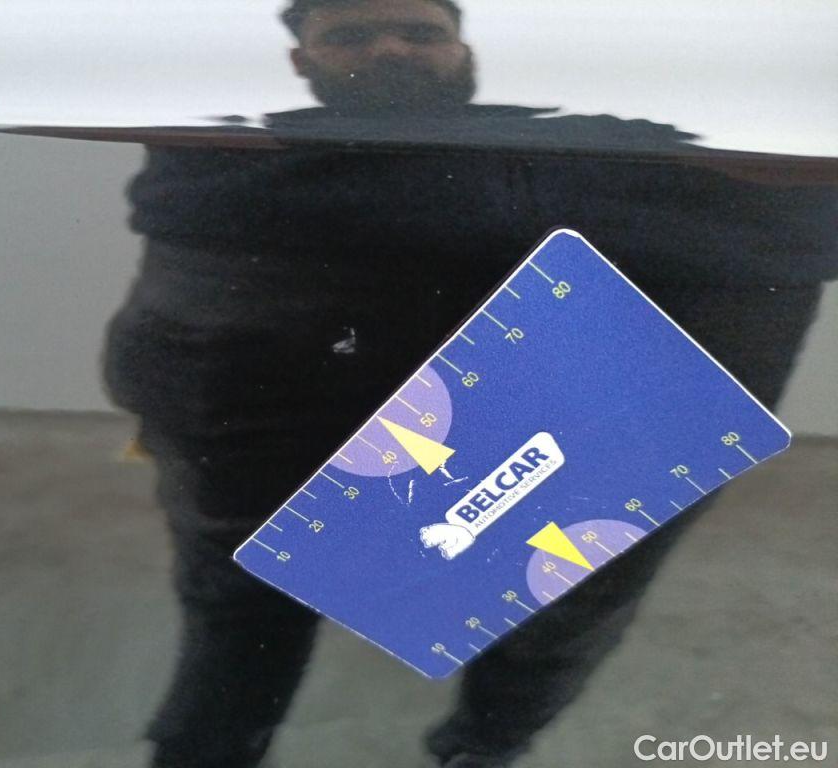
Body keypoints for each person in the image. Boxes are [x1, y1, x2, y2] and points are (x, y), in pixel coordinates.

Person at [103, 1, 835, 765]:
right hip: (287, 409)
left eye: (421, 33)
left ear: (465, 47)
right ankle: (218, 748)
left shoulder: (578, 141)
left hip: (524, 410)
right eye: (350, 36)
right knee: (246, 587)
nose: (390, 49)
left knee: (568, 596)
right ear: (299, 61)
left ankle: (481, 748)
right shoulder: (224, 159)